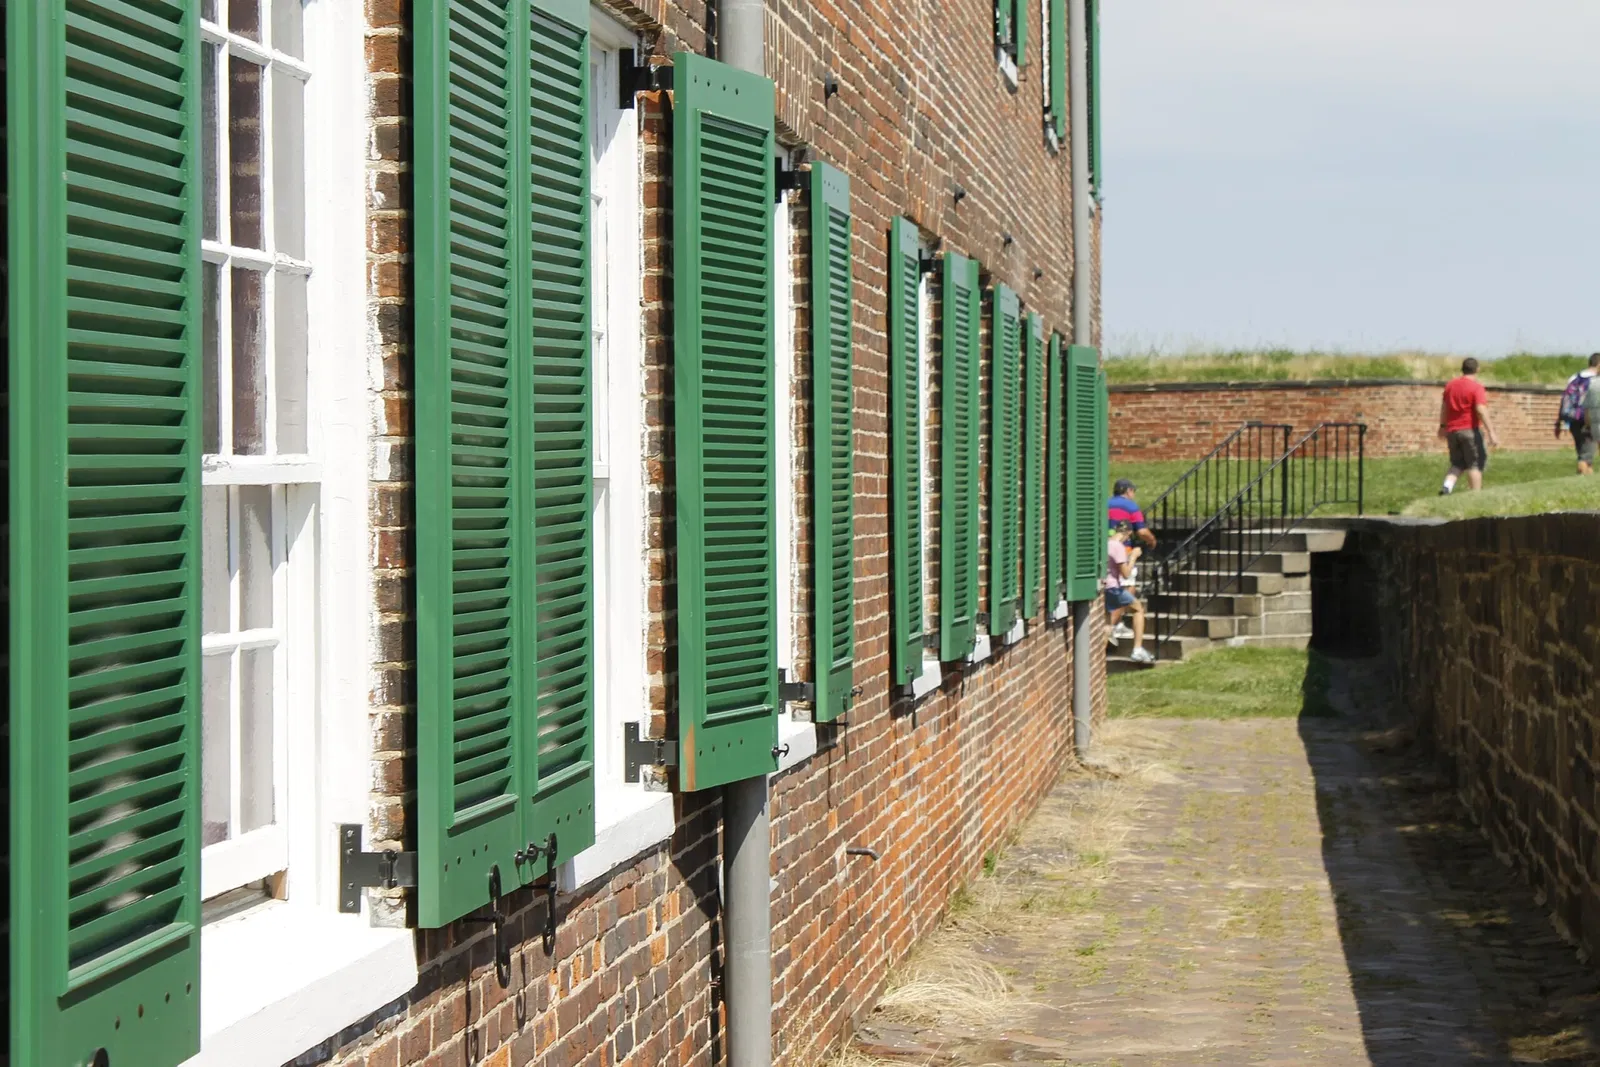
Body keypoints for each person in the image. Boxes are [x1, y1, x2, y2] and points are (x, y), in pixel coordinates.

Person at [1438, 358, 1500, 494]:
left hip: (1453, 431)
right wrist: (1491, 432)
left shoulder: (1450, 386)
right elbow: (1480, 409)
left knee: (1457, 464)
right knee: (1474, 465)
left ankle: (1447, 487)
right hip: (1470, 431)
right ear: (1477, 369)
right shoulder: (1476, 387)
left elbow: (1444, 408)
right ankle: (1475, 496)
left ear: (1463, 369)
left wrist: (1442, 426)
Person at [1106, 522, 1155, 664]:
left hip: (1103, 587)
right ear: (1127, 533)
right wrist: (1133, 557)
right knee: (1138, 608)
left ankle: (1099, 660)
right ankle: (1137, 649)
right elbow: (1126, 573)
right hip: (1113, 588)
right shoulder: (1118, 547)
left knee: (1107, 624)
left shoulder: (1106, 543)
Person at [1554, 352, 1600, 475]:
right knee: (1585, 457)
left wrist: (1559, 422)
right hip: (1589, 420)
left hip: (1573, 419)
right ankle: (1582, 476)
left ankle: (1588, 480)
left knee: (1584, 453)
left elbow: (1565, 399)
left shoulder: (1575, 377)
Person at [1107, 478, 1157, 550]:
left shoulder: (1105, 503)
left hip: (1103, 549)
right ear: (1128, 491)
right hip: (1122, 549)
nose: (1134, 494)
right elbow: (1142, 532)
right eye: (1134, 491)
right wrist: (1152, 540)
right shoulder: (1131, 506)